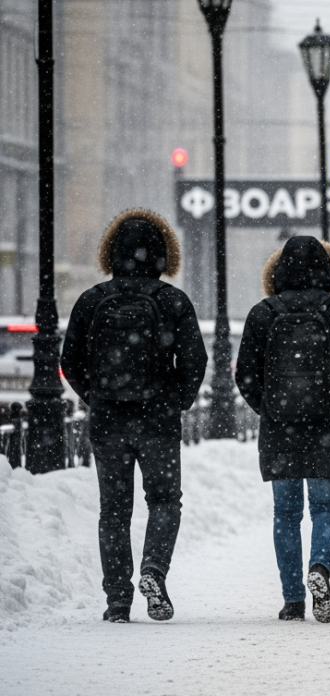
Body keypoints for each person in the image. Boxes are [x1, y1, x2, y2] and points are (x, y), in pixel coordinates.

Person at [61, 209, 207, 624]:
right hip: (157, 418)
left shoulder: (92, 300)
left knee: (114, 510)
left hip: (108, 420)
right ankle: (153, 570)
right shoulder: (173, 301)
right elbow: (195, 360)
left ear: (112, 253)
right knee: (164, 501)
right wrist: (176, 398)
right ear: (163, 256)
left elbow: (70, 361)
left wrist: (97, 395)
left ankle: (117, 600)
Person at [236, 236, 330, 623]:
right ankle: (320, 568)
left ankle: (293, 599)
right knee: (327, 508)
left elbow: (245, 373)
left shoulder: (264, 313)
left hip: (281, 430)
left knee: (286, 514)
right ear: (329, 271)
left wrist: (268, 408)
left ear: (278, 271)